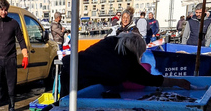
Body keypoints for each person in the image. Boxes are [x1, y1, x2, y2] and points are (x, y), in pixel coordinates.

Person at [59, 33, 190, 97]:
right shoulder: (128, 62)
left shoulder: (110, 41)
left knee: (64, 108)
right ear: (138, 51)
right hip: (79, 81)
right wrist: (177, 82)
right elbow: (150, 80)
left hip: (68, 69)